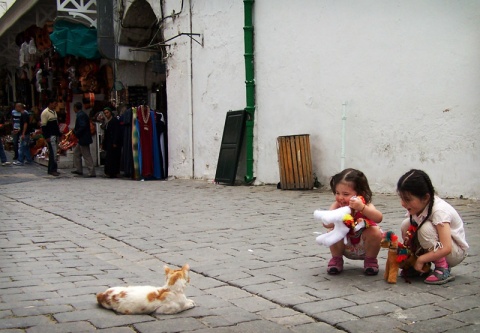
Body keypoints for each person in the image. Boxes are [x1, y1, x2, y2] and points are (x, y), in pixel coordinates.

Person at [397, 169, 469, 285]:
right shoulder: (418, 207)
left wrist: (422, 259)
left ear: (425, 197)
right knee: (406, 224)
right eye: (401, 198)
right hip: (437, 246)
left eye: (407, 199)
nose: (403, 203)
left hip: (453, 253)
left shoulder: (439, 211)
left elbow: (446, 248)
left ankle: (442, 267)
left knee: (425, 229)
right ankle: (418, 265)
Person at [324, 168, 384, 275]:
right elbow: (327, 223)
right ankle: (336, 259)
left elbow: (378, 218)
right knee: (332, 231)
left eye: (345, 194)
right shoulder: (337, 206)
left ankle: (370, 261)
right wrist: (335, 217)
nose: (340, 197)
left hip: (364, 246)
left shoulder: (366, 206)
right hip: (345, 246)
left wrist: (362, 208)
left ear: (360, 194)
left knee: (375, 231)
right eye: (337, 193)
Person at [71, 102, 96, 177]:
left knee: (86, 155)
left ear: (75, 108)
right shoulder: (81, 114)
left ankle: (91, 171)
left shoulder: (81, 115)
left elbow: (83, 126)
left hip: (83, 138)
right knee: (76, 153)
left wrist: (76, 132)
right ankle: (79, 169)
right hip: (82, 138)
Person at [41, 98, 61, 176]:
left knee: (54, 152)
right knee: (53, 153)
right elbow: (44, 126)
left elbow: (56, 125)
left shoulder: (54, 112)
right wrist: (46, 137)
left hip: (55, 135)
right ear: (50, 103)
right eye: (54, 103)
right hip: (51, 136)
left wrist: (59, 134)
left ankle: (52, 169)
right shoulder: (45, 113)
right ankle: (52, 169)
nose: (55, 105)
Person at [101, 107, 122, 178]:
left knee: (113, 158)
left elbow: (116, 132)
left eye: (107, 113)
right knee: (109, 158)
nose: (106, 114)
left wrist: (115, 142)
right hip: (109, 142)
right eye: (105, 113)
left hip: (113, 143)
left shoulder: (114, 121)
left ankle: (113, 172)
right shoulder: (107, 121)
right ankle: (109, 172)